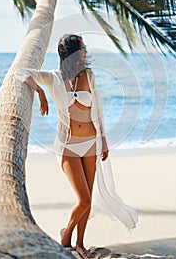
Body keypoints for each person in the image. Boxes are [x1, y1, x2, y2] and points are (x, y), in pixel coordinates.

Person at [14, 34, 138, 259]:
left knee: (88, 198)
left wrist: (104, 141)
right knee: (84, 199)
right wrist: (40, 92)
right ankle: (66, 235)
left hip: (91, 144)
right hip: (68, 147)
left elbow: (97, 109)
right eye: (83, 47)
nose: (86, 51)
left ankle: (79, 244)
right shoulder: (53, 78)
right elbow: (20, 73)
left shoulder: (89, 76)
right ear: (71, 52)